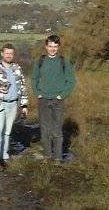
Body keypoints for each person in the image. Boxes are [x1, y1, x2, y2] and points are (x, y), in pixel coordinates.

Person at [31, 34, 75, 163]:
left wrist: (62, 95)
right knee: (45, 129)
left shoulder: (63, 61)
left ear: (58, 47)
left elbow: (71, 81)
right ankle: (47, 156)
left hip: (58, 100)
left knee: (56, 129)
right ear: (46, 46)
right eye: (50, 46)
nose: (52, 49)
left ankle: (57, 157)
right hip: (43, 99)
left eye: (55, 46)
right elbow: (34, 78)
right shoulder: (40, 61)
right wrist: (37, 92)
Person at [0, 43, 28, 171]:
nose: (9, 55)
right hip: (0, 103)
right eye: (7, 53)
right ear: (2, 53)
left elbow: (22, 86)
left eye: (11, 53)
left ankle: (4, 156)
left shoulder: (17, 68)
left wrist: (24, 105)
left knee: (7, 132)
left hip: (13, 103)